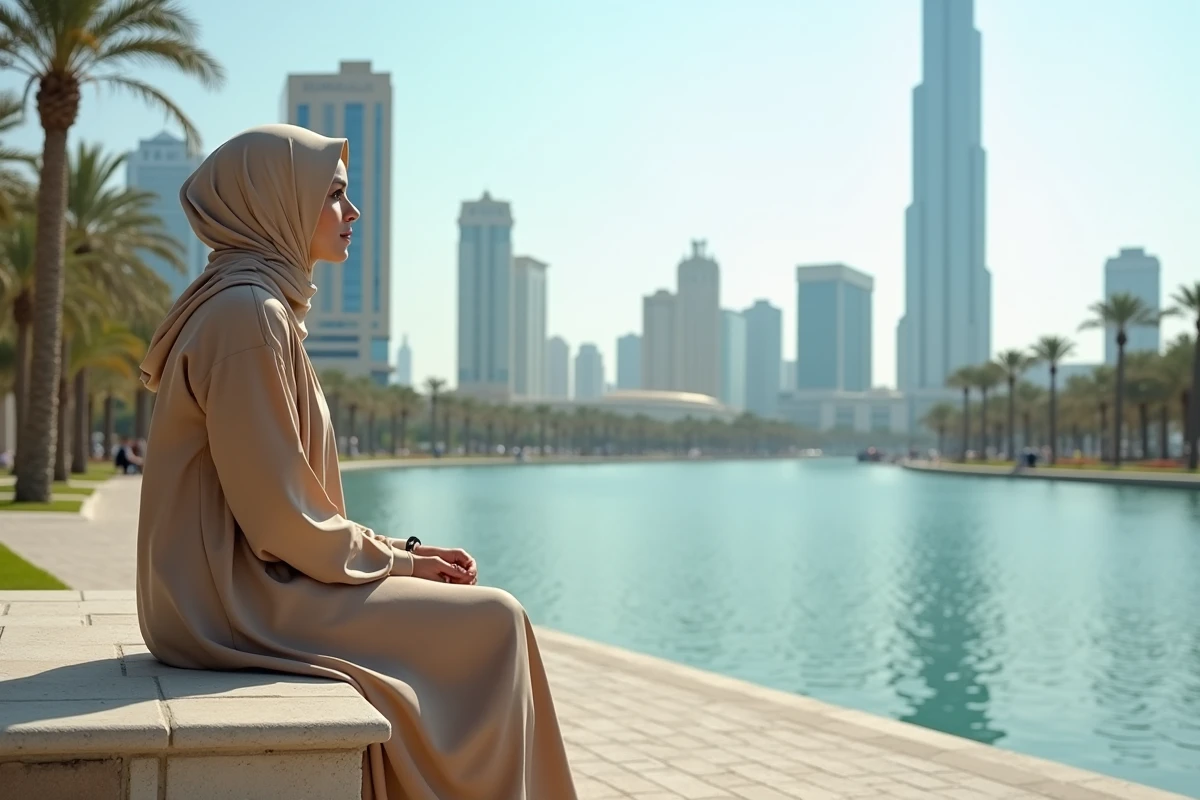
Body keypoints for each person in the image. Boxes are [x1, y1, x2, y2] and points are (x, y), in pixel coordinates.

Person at [135, 125, 577, 800]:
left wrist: (398, 551)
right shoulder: (248, 316)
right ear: (274, 203)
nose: (353, 212)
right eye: (334, 195)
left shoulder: (248, 306)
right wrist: (398, 561)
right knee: (495, 622)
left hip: (227, 590)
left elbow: (286, 506)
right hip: (232, 603)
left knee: (482, 618)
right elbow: (280, 522)